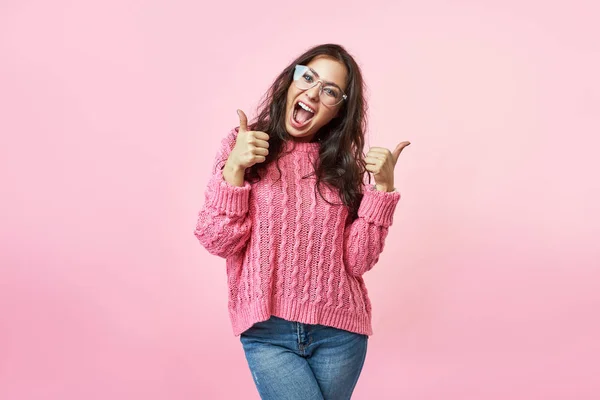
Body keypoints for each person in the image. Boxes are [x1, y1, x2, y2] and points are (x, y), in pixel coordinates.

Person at [194, 43, 410, 400]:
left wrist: (382, 190)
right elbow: (217, 241)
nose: (313, 91)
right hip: (267, 331)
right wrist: (235, 170)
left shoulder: (346, 167)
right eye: (308, 77)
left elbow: (358, 261)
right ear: (289, 81)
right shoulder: (243, 145)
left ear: (339, 110)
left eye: (330, 90)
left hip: (339, 333)